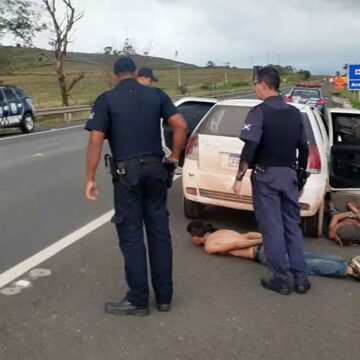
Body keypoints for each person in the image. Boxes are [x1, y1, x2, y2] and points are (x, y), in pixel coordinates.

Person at [85, 56, 187, 316]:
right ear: (135, 72)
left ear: (115, 75)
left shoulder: (106, 99)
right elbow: (181, 125)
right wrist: (174, 156)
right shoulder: (155, 95)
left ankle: (138, 300)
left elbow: (96, 140)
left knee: (131, 235)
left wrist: (90, 178)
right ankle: (164, 298)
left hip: (127, 174)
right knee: (159, 233)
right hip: (156, 170)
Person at [232, 65, 311, 295]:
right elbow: (303, 149)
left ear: (264, 85)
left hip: (266, 176)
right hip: (289, 175)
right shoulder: (295, 113)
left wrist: (239, 177)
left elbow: (251, 145)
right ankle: (301, 279)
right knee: (292, 226)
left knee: (272, 228)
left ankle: (281, 279)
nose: (254, 88)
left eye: (255, 83)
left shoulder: (259, 112)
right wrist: (301, 177)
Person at [186, 221, 360, 281]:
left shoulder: (209, 245)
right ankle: (346, 262)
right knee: (304, 256)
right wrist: (265, 236)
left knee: (304, 265)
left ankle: (347, 270)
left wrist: (262, 239)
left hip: (260, 252)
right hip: (263, 245)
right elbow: (245, 234)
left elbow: (235, 245)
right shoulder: (221, 231)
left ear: (196, 236)